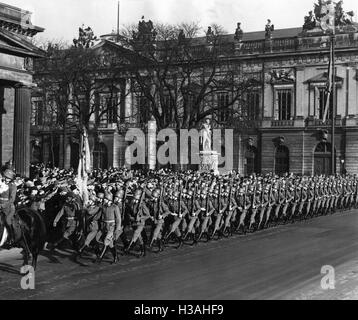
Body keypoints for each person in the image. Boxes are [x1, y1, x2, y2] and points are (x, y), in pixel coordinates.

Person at [0, 169, 17, 245]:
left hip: (9, 208)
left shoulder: (13, 186)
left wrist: (3, 205)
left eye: (8, 178)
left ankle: (12, 236)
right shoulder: (2, 184)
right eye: (5, 177)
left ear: (11, 179)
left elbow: (12, 199)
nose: (6, 179)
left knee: (7, 220)